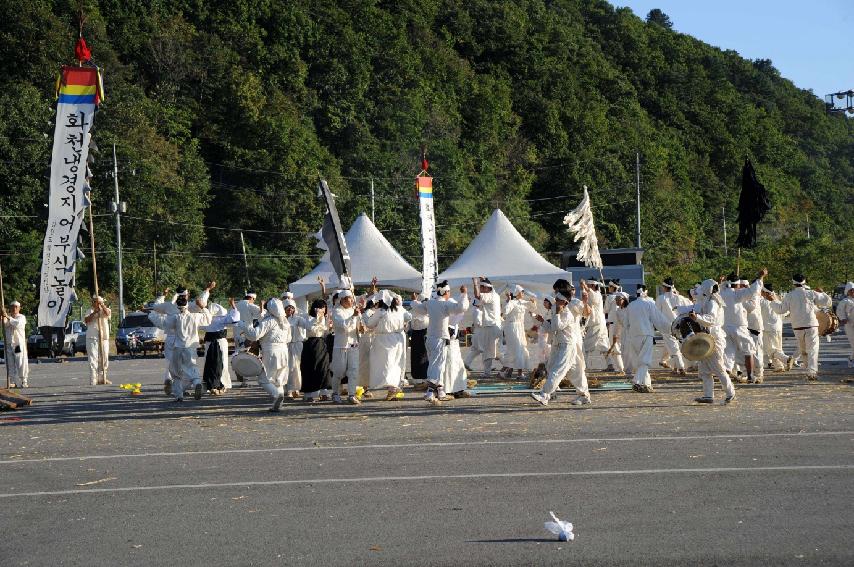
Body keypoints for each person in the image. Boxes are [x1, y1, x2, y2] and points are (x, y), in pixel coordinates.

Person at [688, 270, 767, 403]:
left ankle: (731, 392)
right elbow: (750, 293)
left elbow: (711, 318)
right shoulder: (711, 299)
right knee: (704, 369)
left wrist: (697, 318)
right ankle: (708, 395)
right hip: (709, 336)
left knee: (718, 367)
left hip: (716, 337)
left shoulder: (715, 301)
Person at [529, 285, 591, 406]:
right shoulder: (555, 311)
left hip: (568, 345)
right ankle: (584, 395)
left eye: (557, 300)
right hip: (558, 344)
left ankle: (545, 394)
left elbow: (558, 326)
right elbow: (551, 328)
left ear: (564, 302)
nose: (555, 302)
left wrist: (556, 314)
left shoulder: (568, 313)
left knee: (557, 370)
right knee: (573, 372)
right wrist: (542, 321)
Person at [150, 285, 214, 401]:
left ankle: (178, 394)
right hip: (191, 346)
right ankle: (196, 383)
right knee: (192, 367)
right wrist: (203, 305)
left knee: (175, 371)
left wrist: (152, 315)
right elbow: (208, 319)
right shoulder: (195, 315)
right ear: (187, 300)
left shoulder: (174, 315)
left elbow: (163, 323)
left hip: (176, 345)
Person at [410, 281, 469, 404]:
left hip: (429, 338)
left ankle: (441, 391)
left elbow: (418, 308)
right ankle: (430, 392)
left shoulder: (430, 303)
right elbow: (461, 308)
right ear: (446, 292)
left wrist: (414, 301)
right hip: (440, 338)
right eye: (449, 292)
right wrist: (464, 294)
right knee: (437, 366)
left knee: (435, 364)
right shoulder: (445, 305)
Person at [769, 274, 831, 381]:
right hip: (811, 325)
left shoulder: (789, 295)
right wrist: (822, 292)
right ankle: (811, 372)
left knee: (804, 350)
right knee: (812, 349)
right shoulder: (811, 293)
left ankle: (809, 370)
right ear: (805, 282)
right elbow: (827, 302)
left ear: (793, 283)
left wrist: (772, 301)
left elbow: (780, 310)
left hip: (797, 327)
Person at [239, 298, 290, 411]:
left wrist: (244, 326)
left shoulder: (269, 320)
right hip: (284, 351)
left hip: (271, 351)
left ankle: (276, 396)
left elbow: (254, 335)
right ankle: (278, 404)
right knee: (279, 379)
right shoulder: (285, 321)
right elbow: (289, 338)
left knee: (264, 379)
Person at [620, 285, 672, 393]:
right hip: (647, 334)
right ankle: (637, 381)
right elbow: (658, 319)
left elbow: (625, 324)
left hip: (633, 336)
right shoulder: (649, 304)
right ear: (645, 292)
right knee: (645, 361)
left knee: (640, 362)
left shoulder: (630, 306)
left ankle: (647, 384)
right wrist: (670, 329)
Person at [366, 290, 411, 400]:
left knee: (387, 365)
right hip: (398, 338)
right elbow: (409, 316)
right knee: (395, 364)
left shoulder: (381, 311)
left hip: (384, 340)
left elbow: (370, 324)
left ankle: (393, 388)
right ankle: (394, 387)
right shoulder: (400, 309)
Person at [197, 286, 240, 395]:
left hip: (209, 343)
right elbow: (235, 319)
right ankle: (222, 385)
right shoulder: (222, 319)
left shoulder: (206, 318)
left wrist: (202, 306)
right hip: (220, 343)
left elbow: (199, 325)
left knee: (209, 364)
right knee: (222, 364)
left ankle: (211, 385)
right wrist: (233, 305)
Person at [720, 274, 762, 383]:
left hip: (725, 327)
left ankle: (727, 372)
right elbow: (752, 291)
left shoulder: (722, 293)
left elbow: (720, 287)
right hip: (739, 327)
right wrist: (760, 278)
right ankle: (750, 376)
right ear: (738, 284)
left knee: (728, 352)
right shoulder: (738, 294)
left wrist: (722, 282)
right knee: (749, 351)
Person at [294, 299, 332, 402]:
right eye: (321, 308)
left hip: (321, 343)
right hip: (310, 343)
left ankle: (324, 393)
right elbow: (310, 328)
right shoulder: (308, 317)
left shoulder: (325, 318)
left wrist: (328, 326)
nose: (323, 310)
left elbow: (326, 331)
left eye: (324, 308)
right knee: (310, 368)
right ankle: (309, 395)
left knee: (323, 368)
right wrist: (317, 317)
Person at [330, 289, 362, 404]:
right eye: (349, 298)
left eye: (352, 298)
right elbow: (343, 326)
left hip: (353, 344)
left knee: (354, 370)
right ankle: (335, 393)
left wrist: (362, 328)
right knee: (339, 371)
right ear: (342, 300)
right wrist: (354, 316)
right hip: (341, 345)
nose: (352, 300)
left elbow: (358, 328)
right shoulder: (336, 311)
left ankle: (351, 394)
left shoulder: (355, 310)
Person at [655, 277, 687, 374]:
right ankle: (672, 366)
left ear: (664, 287)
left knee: (673, 347)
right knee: (673, 345)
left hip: (667, 325)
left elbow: (656, 313)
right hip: (680, 324)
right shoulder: (680, 297)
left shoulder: (661, 298)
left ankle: (681, 367)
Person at [471, 277, 501, 378]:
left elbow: (478, 295)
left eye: (481, 287)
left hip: (490, 326)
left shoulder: (490, 296)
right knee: (496, 352)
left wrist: (475, 283)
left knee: (488, 351)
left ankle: (488, 372)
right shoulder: (495, 294)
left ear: (487, 288)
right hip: (494, 326)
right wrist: (484, 278)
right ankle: (507, 368)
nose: (480, 289)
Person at [150, 288, 179, 394]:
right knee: (183, 363)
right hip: (183, 340)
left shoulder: (168, 316)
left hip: (170, 339)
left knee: (169, 362)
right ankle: (181, 385)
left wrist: (162, 296)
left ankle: (168, 378)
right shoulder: (185, 312)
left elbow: (157, 309)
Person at [759, 283, 793, 372]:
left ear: (765, 293)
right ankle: (779, 366)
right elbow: (785, 313)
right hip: (778, 328)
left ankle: (787, 359)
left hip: (768, 329)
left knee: (771, 350)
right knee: (777, 348)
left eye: (762, 292)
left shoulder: (762, 302)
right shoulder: (777, 301)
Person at [502, 285, 532, 379]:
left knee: (520, 347)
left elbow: (531, 306)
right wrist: (508, 300)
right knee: (517, 348)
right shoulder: (512, 302)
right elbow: (505, 312)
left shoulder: (521, 302)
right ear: (516, 293)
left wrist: (533, 301)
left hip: (520, 327)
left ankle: (508, 371)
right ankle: (519, 373)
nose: (523, 293)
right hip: (513, 327)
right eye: (521, 292)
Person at [582, 278, 610, 370]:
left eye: (589, 285)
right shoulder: (593, 294)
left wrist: (584, 286)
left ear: (593, 286)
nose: (588, 287)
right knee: (603, 345)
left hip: (596, 323)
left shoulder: (596, 294)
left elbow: (591, 294)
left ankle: (583, 366)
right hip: (599, 323)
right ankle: (610, 364)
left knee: (586, 345)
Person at [84, 296, 112, 386]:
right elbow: (86, 320)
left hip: (104, 337)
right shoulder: (89, 311)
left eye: (100, 302)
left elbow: (107, 314)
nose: (98, 304)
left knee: (104, 359)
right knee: (93, 359)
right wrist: (94, 313)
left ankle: (102, 378)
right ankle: (93, 379)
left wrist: (102, 306)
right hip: (92, 337)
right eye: (96, 302)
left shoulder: (105, 309)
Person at [2, 300, 29, 388]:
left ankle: (23, 380)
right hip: (9, 343)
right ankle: (12, 381)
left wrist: (8, 317)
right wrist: (3, 315)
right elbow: (4, 325)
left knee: (20, 362)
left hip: (18, 345)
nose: (14, 308)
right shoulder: (7, 317)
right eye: (12, 307)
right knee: (9, 363)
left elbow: (17, 324)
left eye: (16, 307)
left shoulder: (21, 317)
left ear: (19, 308)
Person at [603, 280, 626, 374]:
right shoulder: (623, 295)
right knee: (621, 345)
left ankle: (621, 368)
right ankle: (623, 366)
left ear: (613, 287)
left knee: (614, 345)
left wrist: (605, 300)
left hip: (613, 323)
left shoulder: (610, 297)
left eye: (609, 286)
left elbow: (605, 310)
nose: (609, 287)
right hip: (622, 323)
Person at [284, 299, 305, 399]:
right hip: (285, 346)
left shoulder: (298, 319)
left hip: (297, 345)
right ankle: (288, 389)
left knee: (296, 367)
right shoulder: (280, 319)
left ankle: (296, 388)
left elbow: (307, 324)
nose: (290, 309)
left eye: (292, 307)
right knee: (287, 367)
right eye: (288, 307)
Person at [408, 292, 429, 387]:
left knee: (421, 356)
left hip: (422, 333)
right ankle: (419, 378)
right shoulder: (419, 308)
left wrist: (414, 300)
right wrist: (414, 300)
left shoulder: (420, 308)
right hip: (418, 333)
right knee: (419, 356)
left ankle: (421, 378)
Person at [836, 282, 854, 369]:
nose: (853, 291)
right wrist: (843, 318)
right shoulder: (845, 301)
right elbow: (839, 311)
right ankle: (850, 359)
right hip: (850, 326)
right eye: (851, 290)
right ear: (847, 291)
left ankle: (851, 358)